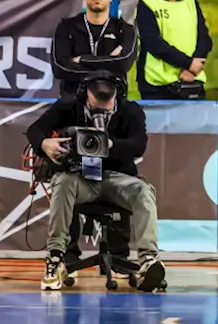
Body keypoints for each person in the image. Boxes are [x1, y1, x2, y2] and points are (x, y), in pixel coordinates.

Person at [27, 71, 164, 292]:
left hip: (117, 177)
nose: (101, 109)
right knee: (62, 182)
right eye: (96, 105)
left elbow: (139, 145)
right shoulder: (68, 106)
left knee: (143, 191)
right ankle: (56, 257)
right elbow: (34, 130)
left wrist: (110, 145)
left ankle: (148, 261)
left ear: (117, 95)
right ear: (85, 95)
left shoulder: (131, 110)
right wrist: (45, 144)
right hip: (80, 177)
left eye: (107, 104)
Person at [136, 0, 214, 100]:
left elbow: (204, 38)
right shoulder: (147, 2)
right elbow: (153, 42)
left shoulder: (190, 0)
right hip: (157, 85)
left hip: (191, 79)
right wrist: (188, 63)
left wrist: (192, 69)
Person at [52, 0, 138, 97]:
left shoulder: (124, 30)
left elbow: (123, 63)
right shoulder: (66, 27)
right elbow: (60, 68)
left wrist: (82, 59)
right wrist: (109, 65)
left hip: (112, 103)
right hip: (73, 103)